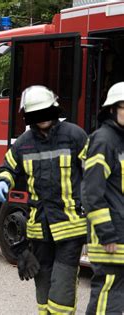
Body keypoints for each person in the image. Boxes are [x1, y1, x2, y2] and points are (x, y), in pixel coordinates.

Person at [0, 85, 88, 314]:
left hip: (70, 228)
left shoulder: (74, 135)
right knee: (42, 289)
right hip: (39, 230)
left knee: (62, 292)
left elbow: (95, 170)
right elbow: (8, 167)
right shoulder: (23, 143)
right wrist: (3, 181)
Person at [82, 82, 124, 314]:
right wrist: (107, 232)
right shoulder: (103, 140)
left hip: (120, 233)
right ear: (112, 109)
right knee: (109, 294)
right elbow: (91, 192)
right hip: (110, 237)